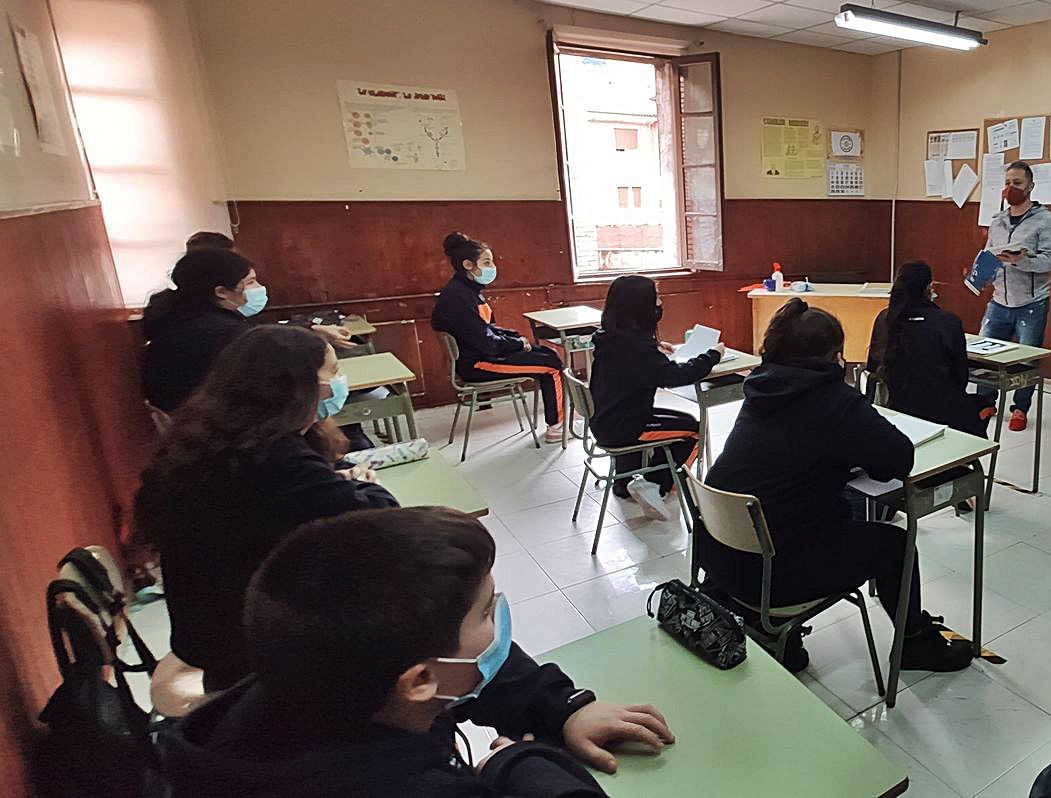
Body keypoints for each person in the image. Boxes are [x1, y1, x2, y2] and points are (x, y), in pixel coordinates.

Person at [158, 507, 676, 797]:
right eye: (484, 614)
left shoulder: (300, 687)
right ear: (419, 682)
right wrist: (518, 760)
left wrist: (562, 707)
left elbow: (466, 673)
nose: (499, 619)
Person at [699, 298, 975, 673]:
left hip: (722, 564)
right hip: (771, 577)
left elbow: (795, 452)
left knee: (822, 505)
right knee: (896, 542)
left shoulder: (760, 388)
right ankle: (913, 645)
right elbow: (899, 457)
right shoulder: (832, 399)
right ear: (834, 356)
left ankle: (780, 632)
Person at [134, 325, 399, 691]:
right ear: (298, 386)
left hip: (214, 633)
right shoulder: (272, 458)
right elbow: (380, 516)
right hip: (253, 652)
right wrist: (365, 486)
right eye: (333, 372)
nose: (340, 381)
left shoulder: (213, 437)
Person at [141, 247, 357, 413]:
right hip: (221, 434)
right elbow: (262, 347)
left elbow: (260, 333)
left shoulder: (184, 318)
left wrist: (312, 329)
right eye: (251, 282)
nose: (259, 288)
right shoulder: (218, 333)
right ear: (222, 292)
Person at [589, 275, 722, 520]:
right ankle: (655, 486)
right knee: (694, 428)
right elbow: (677, 375)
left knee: (679, 420)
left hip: (606, 419)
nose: (660, 303)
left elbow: (639, 364)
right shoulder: (637, 349)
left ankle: (628, 482)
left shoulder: (610, 337)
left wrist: (656, 349)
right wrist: (712, 355)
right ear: (641, 307)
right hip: (625, 427)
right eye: (656, 298)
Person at [432, 232, 566, 444]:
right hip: (478, 364)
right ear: (468, 265)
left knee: (548, 353)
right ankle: (557, 427)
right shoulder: (458, 297)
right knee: (551, 365)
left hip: (483, 354)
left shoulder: (468, 290)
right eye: (486, 262)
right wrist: (517, 344)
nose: (492, 267)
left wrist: (516, 339)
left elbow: (487, 328)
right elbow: (486, 342)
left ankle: (554, 418)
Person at [969, 160, 1051, 432]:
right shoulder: (997, 220)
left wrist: (1021, 260)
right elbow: (989, 253)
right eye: (1007, 183)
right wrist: (981, 273)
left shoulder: (1045, 221)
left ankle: (1020, 408)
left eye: (1017, 184)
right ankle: (985, 401)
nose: (1011, 189)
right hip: (999, 300)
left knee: (1027, 359)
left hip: (1030, 303)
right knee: (985, 355)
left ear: (1030, 186)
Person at [868, 260, 994, 437]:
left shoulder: (884, 319)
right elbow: (960, 378)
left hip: (894, 411)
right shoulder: (948, 322)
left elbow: (872, 367)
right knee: (979, 403)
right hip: (941, 413)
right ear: (929, 288)